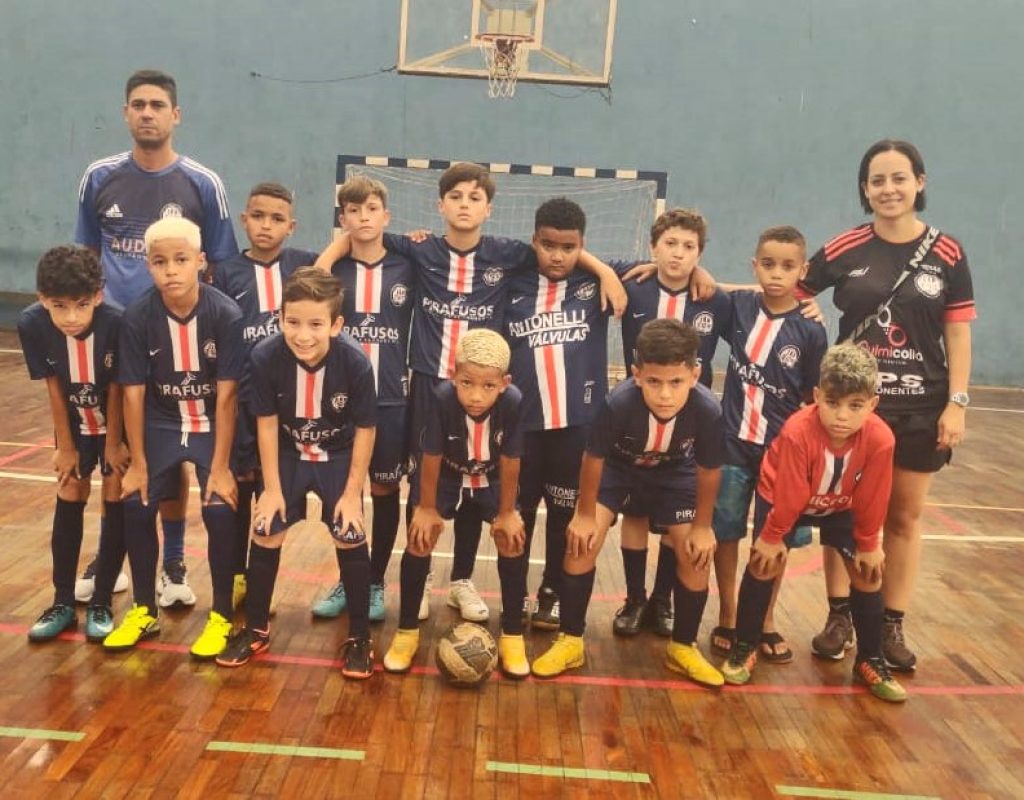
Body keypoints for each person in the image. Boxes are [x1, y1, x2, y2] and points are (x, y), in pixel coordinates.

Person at [316, 162, 625, 623]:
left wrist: (604, 270)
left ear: (489, 208)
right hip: (427, 385)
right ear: (440, 205)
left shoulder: (508, 253)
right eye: (455, 197)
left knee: (474, 476)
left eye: (474, 198)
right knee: (426, 483)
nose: (464, 205)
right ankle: (415, 584)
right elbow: (361, 236)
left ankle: (461, 579)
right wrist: (324, 263)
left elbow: (557, 249)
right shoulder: (419, 249)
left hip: (483, 392)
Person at [800, 140, 975, 672]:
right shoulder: (845, 247)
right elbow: (789, 290)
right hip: (852, 409)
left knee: (902, 519)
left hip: (922, 407)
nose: (888, 189)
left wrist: (958, 404)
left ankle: (892, 624)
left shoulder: (947, 252)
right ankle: (840, 616)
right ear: (864, 189)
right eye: (877, 180)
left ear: (920, 182)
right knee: (844, 515)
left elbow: (958, 333)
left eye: (899, 178)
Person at [75, 68, 239, 607]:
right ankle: (111, 552)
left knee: (175, 448)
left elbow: (220, 266)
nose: (147, 112)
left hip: (174, 339)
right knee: (114, 454)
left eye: (157, 105)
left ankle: (172, 559)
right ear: (126, 113)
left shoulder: (202, 183)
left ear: (176, 115)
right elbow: (85, 260)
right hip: (113, 337)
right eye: (138, 104)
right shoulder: (98, 178)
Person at [531, 319, 725, 688]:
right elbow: (593, 457)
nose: (665, 395)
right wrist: (585, 515)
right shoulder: (618, 403)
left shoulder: (708, 410)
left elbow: (709, 469)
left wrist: (703, 526)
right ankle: (571, 640)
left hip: (674, 475)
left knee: (696, 554)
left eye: (676, 382)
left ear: (696, 374)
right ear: (636, 374)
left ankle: (683, 646)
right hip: (618, 470)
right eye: (654, 382)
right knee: (580, 543)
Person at [721, 344, 907, 702]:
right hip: (786, 500)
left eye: (855, 406)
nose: (842, 416)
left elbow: (874, 494)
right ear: (816, 396)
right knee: (765, 561)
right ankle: (744, 645)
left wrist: (869, 543)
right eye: (832, 403)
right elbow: (789, 491)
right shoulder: (797, 431)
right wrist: (773, 535)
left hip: (841, 504)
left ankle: (870, 659)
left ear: (872, 404)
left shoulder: (881, 439)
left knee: (868, 571)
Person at [216, 268, 378, 678]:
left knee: (349, 531)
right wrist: (271, 489)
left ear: (336, 325)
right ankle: (255, 627)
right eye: (292, 322)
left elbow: (365, 429)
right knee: (266, 527)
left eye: (315, 325)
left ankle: (360, 637)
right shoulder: (266, 357)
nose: (302, 335)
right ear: (280, 318)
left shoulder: (355, 362)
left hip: (338, 454)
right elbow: (266, 424)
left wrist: (351, 493)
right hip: (288, 452)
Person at [103, 218, 244, 660]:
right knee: (134, 501)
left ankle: (221, 613)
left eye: (181, 260)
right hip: (162, 422)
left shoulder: (225, 314)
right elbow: (132, 393)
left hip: (209, 423)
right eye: (160, 262)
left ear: (201, 262)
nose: (171, 270)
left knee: (220, 508)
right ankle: (144, 609)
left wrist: (220, 467)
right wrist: (139, 463)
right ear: (148, 266)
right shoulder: (137, 317)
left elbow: (227, 397)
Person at [610, 208, 732, 638]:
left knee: (673, 521)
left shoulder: (713, 298)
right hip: (635, 422)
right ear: (652, 247)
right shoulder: (634, 284)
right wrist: (613, 275)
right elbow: (589, 265)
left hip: (686, 429)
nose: (678, 254)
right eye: (670, 244)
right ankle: (634, 598)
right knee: (636, 515)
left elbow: (758, 301)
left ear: (700, 254)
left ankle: (663, 599)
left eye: (689, 247)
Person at [708, 226, 827, 663]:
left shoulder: (811, 331)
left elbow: (813, 400)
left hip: (784, 455)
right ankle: (729, 611)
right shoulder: (738, 308)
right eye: (768, 264)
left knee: (772, 538)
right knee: (726, 532)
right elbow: (700, 284)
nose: (777, 274)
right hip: (732, 444)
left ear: (803, 270)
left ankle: (766, 619)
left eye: (788, 266)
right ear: (754, 265)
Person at [382, 329, 529, 678]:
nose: (476, 396)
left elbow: (511, 458)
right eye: (466, 383)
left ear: (504, 383)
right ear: (453, 375)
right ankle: (406, 633)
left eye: (488, 387)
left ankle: (512, 635)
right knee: (420, 536)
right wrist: (427, 508)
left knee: (511, 540)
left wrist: (508, 513)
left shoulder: (514, 402)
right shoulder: (441, 397)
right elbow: (430, 452)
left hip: (491, 476)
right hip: (446, 473)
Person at [311, 176, 415, 624]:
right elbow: (310, 287)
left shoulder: (408, 264)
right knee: (343, 490)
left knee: (384, 488)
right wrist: (334, 250)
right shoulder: (333, 272)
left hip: (391, 397)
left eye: (371, 208)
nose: (363, 217)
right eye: (353, 211)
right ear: (342, 218)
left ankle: (374, 582)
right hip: (341, 400)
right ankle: (347, 578)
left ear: (386, 216)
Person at [504, 198, 610, 631]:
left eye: (569, 247)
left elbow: (669, 268)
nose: (558, 255)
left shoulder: (596, 279)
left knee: (566, 519)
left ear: (582, 246)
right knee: (519, 515)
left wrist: (601, 269)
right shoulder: (512, 279)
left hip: (577, 427)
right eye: (548, 245)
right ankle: (514, 600)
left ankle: (551, 592)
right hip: (522, 426)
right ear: (534, 242)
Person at [212, 182, 319, 609]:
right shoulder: (224, 272)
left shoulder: (304, 266)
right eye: (258, 216)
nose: (266, 225)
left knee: (272, 494)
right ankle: (237, 576)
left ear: (291, 227)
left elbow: (349, 255)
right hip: (241, 403)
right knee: (241, 491)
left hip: (286, 406)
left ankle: (259, 581)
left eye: (277, 219)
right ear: (244, 219)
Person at [17, 246, 129, 643]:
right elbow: (53, 386)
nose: (70, 317)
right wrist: (65, 445)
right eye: (58, 306)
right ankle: (63, 601)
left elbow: (118, 387)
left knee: (115, 493)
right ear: (41, 299)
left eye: (81, 305)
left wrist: (114, 443)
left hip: (117, 425)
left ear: (98, 295)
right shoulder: (32, 324)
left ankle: (101, 600)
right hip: (75, 423)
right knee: (69, 490)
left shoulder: (117, 322)